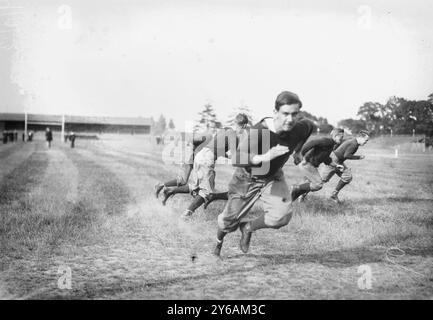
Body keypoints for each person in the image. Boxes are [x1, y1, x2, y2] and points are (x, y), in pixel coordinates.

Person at [213, 91, 315, 256]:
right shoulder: (259, 131)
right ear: (275, 113)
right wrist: (266, 157)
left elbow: (309, 127)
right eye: (285, 114)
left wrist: (298, 151)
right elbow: (237, 158)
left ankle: (248, 228)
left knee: (281, 216)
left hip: (273, 177)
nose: (290, 119)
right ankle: (218, 245)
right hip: (246, 178)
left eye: (295, 114)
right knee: (227, 223)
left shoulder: (300, 127)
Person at [161, 114, 250, 219]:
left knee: (194, 186)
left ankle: (170, 190)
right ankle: (186, 214)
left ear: (235, 122)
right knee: (206, 192)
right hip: (207, 159)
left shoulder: (225, 129)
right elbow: (235, 158)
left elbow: (218, 148)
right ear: (244, 126)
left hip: (200, 155)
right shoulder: (234, 136)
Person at [290, 127, 344, 202]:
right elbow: (312, 143)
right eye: (341, 137)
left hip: (310, 165)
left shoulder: (331, 145)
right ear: (335, 136)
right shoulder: (327, 141)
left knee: (307, 185)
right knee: (318, 184)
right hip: (307, 164)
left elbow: (326, 159)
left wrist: (336, 165)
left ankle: (290, 200)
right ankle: (295, 188)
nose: (342, 139)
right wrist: (301, 154)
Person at [319, 130, 370, 203]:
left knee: (347, 176)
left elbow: (338, 145)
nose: (366, 142)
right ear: (360, 137)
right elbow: (347, 155)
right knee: (320, 181)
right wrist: (359, 157)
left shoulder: (353, 141)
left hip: (339, 161)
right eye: (366, 140)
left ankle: (334, 195)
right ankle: (302, 193)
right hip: (334, 160)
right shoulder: (354, 144)